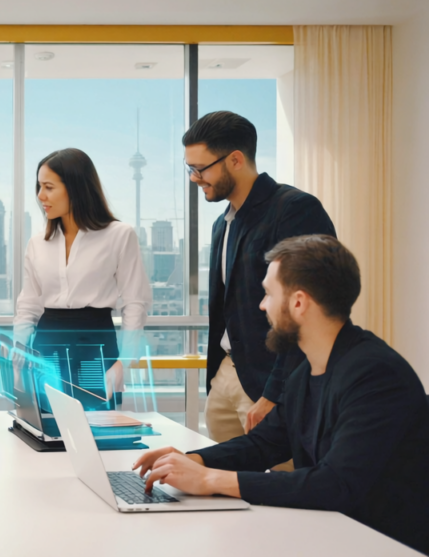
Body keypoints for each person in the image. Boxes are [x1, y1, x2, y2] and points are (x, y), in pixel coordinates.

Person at [133, 235, 429, 555]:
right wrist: (190, 460)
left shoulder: (375, 374)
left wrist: (210, 479)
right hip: (335, 535)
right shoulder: (307, 371)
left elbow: (336, 484)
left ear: (298, 303)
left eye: (268, 293)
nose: (262, 305)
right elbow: (264, 443)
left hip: (384, 544)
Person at [184, 111, 335, 443]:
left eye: (200, 168)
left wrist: (276, 393)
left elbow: (311, 312)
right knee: (221, 487)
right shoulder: (222, 224)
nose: (194, 178)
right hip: (225, 376)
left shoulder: (295, 209)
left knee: (283, 491)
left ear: (235, 160)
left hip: (274, 384)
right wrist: (216, 380)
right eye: (190, 168)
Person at [13, 148, 151, 410]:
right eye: (39, 187)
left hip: (96, 345)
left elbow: (135, 302)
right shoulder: (37, 242)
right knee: (45, 429)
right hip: (46, 345)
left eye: (49, 187)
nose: (40, 196)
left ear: (75, 188)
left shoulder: (119, 235)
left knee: (97, 432)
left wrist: (124, 362)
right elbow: (28, 305)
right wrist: (19, 352)